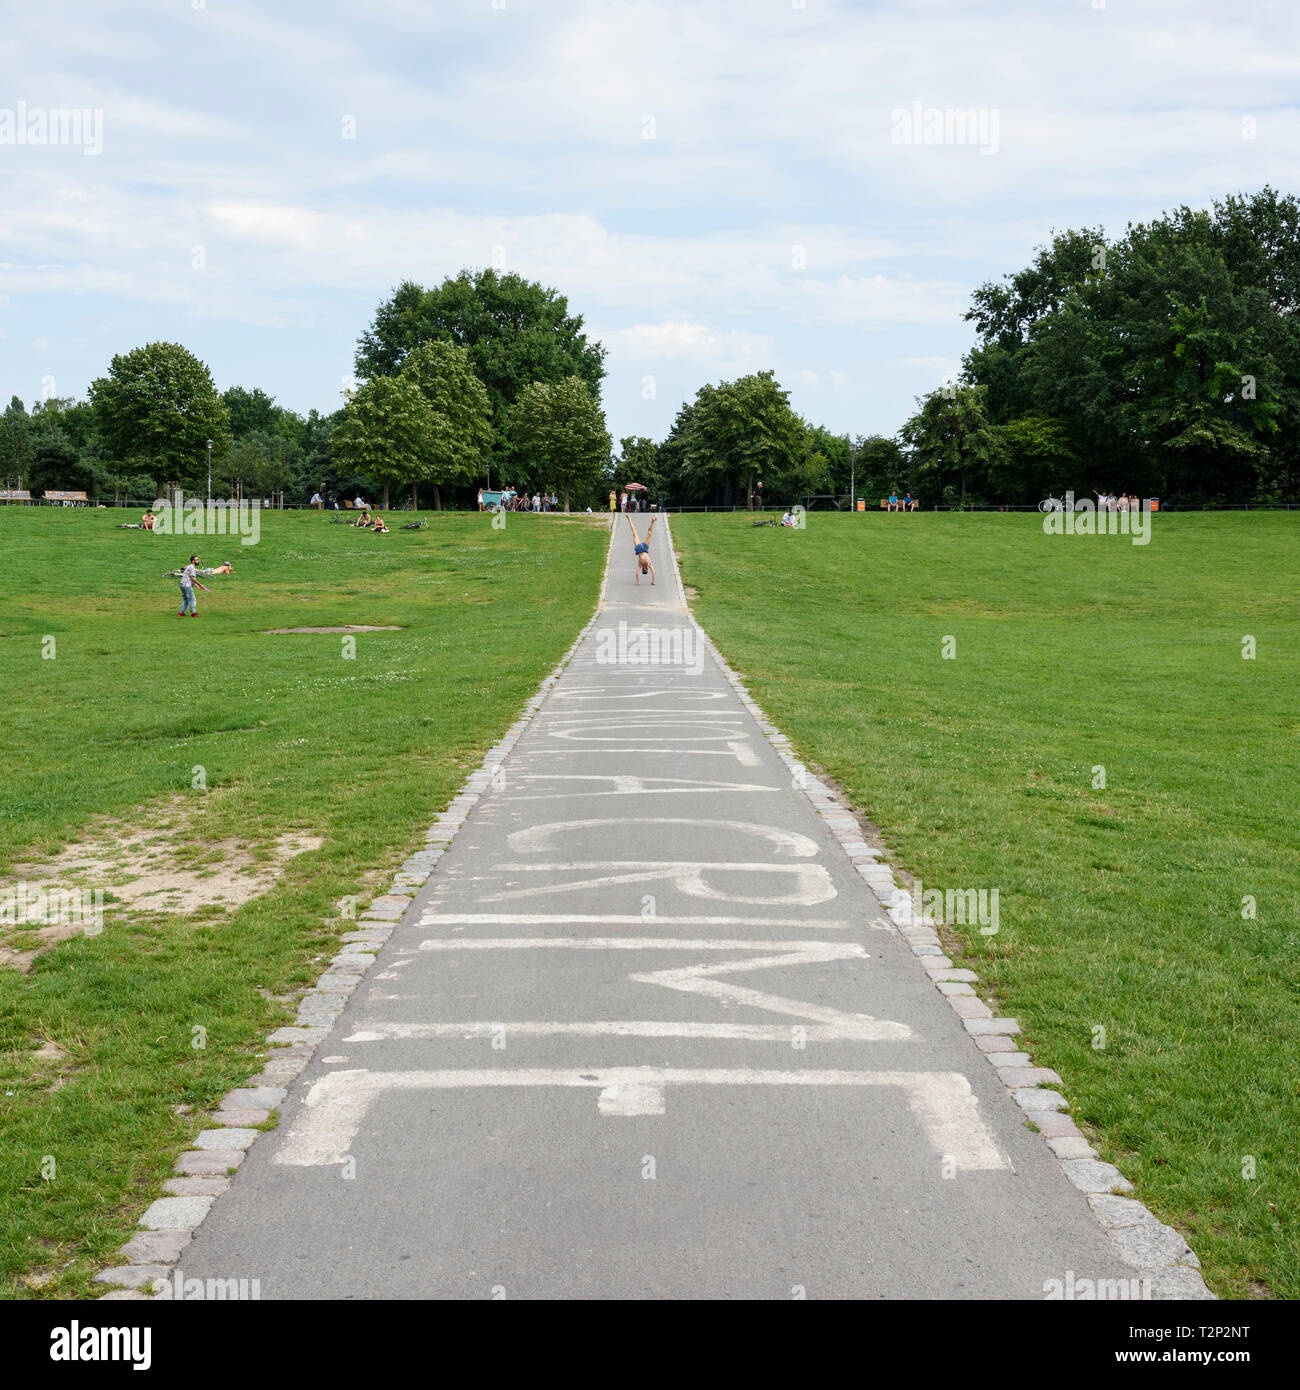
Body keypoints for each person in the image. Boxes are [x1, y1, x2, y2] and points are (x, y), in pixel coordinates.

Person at [627, 513, 656, 586]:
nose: (645, 568)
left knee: (634, 533)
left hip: (639, 549)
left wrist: (638, 582)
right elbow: (654, 572)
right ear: (647, 569)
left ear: (642, 569)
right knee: (649, 533)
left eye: (644, 569)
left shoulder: (640, 565)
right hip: (645, 548)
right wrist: (653, 581)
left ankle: (629, 519)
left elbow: (637, 573)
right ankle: (652, 521)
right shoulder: (649, 564)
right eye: (646, 569)